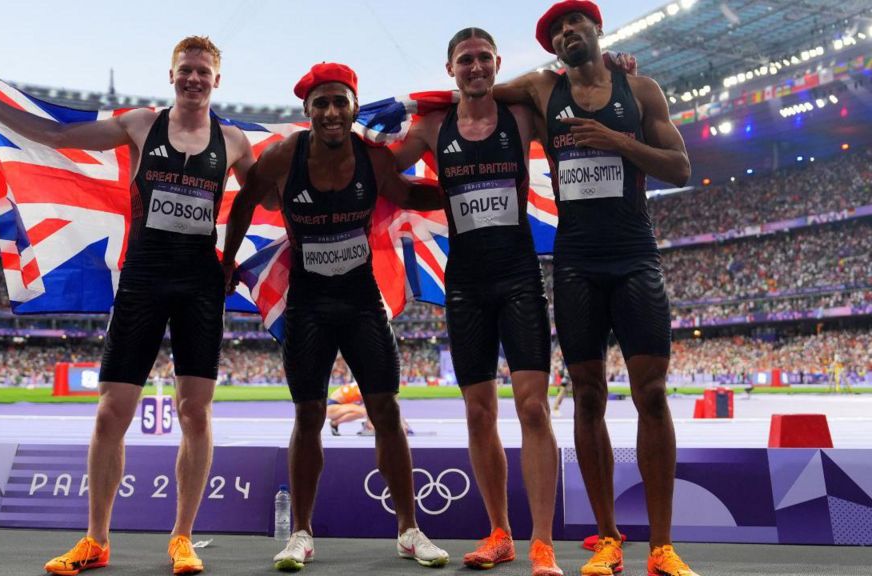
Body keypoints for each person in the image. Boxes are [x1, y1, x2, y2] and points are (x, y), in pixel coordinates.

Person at [0, 35, 255, 575]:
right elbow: (60, 136)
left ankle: (182, 538)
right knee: (112, 411)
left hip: (199, 285)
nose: (193, 79)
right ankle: (95, 539)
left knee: (195, 412)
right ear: (171, 75)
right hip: (142, 278)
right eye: (185, 70)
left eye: (203, 72)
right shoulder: (141, 125)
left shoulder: (233, 142)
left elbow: (262, 198)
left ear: (217, 81)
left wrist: (232, 256)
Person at [495, 2, 696, 575]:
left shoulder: (641, 89)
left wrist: (617, 140)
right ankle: (607, 538)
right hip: (576, 261)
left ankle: (661, 547)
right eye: (556, 31)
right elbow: (477, 90)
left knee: (651, 393)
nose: (565, 33)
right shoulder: (540, 88)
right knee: (587, 397)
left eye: (574, 23)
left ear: (595, 29)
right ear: (554, 47)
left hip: (635, 255)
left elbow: (680, 167)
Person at [222, 62, 449, 571]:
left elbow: (408, 196)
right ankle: (301, 534)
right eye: (320, 103)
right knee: (308, 416)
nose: (330, 112)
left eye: (339, 102)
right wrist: (226, 261)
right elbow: (243, 205)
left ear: (352, 108)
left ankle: (409, 530)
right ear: (307, 111)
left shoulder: (372, 156)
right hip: (308, 306)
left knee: (386, 410)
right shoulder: (284, 156)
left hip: (362, 301)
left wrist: (459, 188)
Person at [392, 28, 562, 575]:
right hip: (464, 282)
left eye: (484, 59)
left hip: (518, 275)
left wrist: (620, 69)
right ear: (450, 70)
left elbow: (577, 91)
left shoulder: (521, 117)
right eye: (465, 60)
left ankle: (542, 543)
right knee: (478, 410)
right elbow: (381, 172)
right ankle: (500, 533)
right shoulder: (431, 127)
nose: (475, 67)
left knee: (533, 407)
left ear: (497, 64)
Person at [327, 381, 413, 436]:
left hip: (335, 408)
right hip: (332, 407)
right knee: (364, 411)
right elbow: (370, 407)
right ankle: (367, 426)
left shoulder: (362, 386)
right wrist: (371, 425)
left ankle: (335, 423)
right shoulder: (361, 388)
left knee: (360, 412)